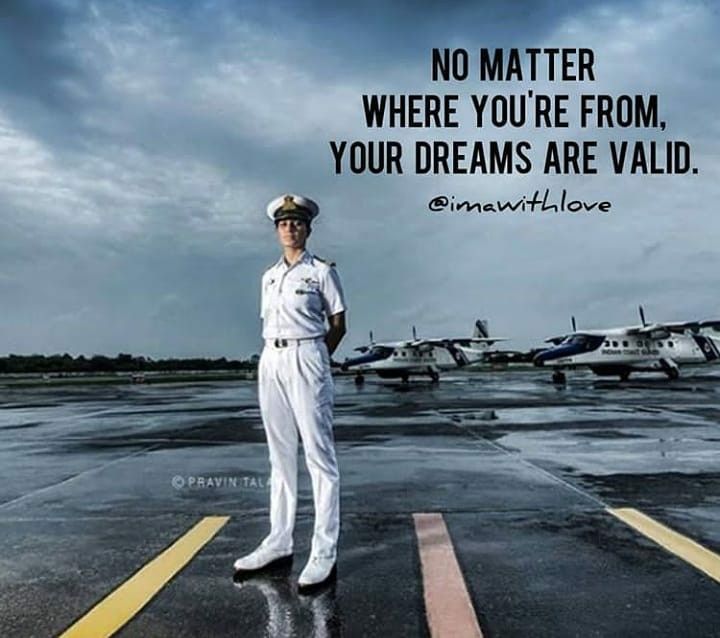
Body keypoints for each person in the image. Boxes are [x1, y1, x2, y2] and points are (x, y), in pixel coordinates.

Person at [233, 193, 347, 590]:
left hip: (308, 354)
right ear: (277, 230)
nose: (290, 228)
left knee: (319, 457)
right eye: (283, 223)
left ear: (308, 228)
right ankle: (279, 541)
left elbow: (338, 322)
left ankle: (323, 550)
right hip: (271, 359)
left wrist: (316, 358)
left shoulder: (321, 272)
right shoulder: (269, 276)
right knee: (279, 456)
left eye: (296, 222)